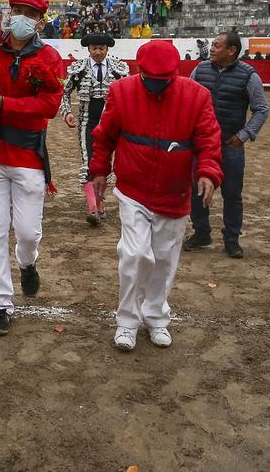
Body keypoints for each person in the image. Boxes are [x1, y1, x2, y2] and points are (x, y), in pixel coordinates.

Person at [90, 40, 222, 351]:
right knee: (135, 255)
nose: (156, 88)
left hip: (174, 193)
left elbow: (208, 139)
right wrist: (99, 169)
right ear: (140, 71)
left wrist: (207, 173)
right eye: (150, 81)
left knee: (164, 259)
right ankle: (127, 321)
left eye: (163, 82)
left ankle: (156, 316)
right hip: (133, 189)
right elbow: (104, 134)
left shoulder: (197, 96)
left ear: (175, 75)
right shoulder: (122, 92)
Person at [0, 0, 65, 336]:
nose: (21, 18)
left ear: (40, 22)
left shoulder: (50, 57)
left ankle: (28, 262)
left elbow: (50, 106)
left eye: (30, 13)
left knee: (27, 233)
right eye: (17, 10)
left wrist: (3, 105)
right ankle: (1, 304)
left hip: (27, 156)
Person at [184, 33, 270, 258]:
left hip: (229, 143)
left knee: (232, 193)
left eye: (216, 46)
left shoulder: (248, 75)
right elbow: (187, 100)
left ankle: (231, 238)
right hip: (201, 143)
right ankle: (201, 232)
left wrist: (244, 135)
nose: (211, 49)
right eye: (212, 45)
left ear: (231, 51)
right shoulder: (200, 69)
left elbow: (261, 109)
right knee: (196, 189)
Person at [60, 33, 129, 225]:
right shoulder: (78, 69)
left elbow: (129, 94)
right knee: (88, 160)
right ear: (88, 49)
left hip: (112, 123)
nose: (98, 52)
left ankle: (99, 204)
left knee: (106, 161)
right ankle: (92, 206)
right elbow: (64, 93)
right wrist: (67, 113)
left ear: (107, 49)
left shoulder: (119, 69)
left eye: (101, 48)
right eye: (94, 49)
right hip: (86, 122)